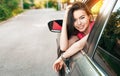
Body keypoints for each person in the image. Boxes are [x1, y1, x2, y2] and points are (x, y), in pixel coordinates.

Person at [53, 1, 94, 74]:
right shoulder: (78, 34)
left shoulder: (95, 27)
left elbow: (79, 45)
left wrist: (62, 58)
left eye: (82, 18)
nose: (79, 23)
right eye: (74, 20)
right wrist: (65, 19)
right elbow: (63, 47)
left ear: (89, 17)